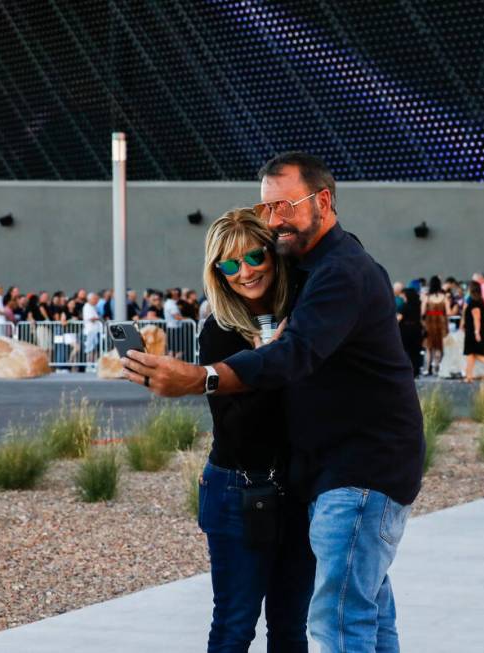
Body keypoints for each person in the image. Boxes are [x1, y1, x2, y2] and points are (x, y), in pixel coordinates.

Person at [122, 151, 424, 652]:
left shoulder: (334, 274)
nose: (274, 221)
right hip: (292, 484)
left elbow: (298, 356)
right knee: (345, 617)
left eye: (285, 207)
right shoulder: (252, 310)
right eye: (267, 209)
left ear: (322, 201)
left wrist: (202, 378)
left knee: (334, 623)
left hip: (355, 476)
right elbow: (251, 416)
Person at [196, 208, 315, 652]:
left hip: (299, 489)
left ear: (273, 255)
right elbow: (235, 431)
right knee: (235, 625)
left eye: (253, 257)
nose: (244, 272)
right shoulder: (221, 331)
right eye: (229, 265)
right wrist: (267, 363)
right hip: (238, 488)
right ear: (218, 273)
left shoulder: (303, 316)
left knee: (290, 627)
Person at [462, 282, 484, 383]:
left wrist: (476, 333)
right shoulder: (479, 300)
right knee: (471, 354)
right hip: (474, 330)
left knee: (473, 354)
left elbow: (477, 318)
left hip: (473, 331)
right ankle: (469, 377)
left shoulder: (473, 302)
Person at [422, 275, 448, 375]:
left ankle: (426, 368)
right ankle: (436, 367)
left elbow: (423, 312)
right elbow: (448, 312)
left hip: (429, 323)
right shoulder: (444, 297)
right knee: (439, 346)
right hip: (441, 323)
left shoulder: (427, 297)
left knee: (429, 347)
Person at [398, 286, 423, 378]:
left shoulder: (404, 306)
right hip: (417, 329)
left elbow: (399, 318)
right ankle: (416, 370)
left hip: (405, 330)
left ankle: (407, 370)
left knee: (405, 350)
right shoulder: (418, 305)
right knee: (416, 351)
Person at [82, 292, 102, 364]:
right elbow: (91, 318)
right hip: (90, 331)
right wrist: (98, 318)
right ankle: (89, 364)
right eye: (95, 299)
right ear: (90, 299)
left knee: (95, 349)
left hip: (95, 331)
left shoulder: (94, 307)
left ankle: (94, 364)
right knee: (90, 349)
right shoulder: (87, 306)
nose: (96, 300)